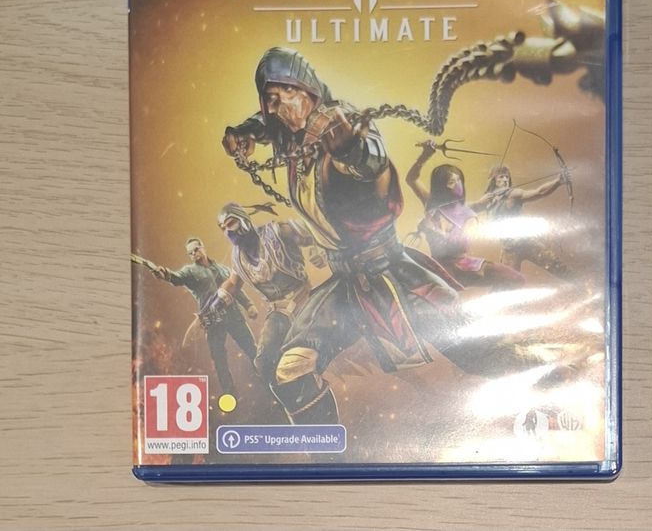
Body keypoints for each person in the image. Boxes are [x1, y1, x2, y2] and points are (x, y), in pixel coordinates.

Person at [223, 48, 528, 423]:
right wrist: (243, 132)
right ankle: (326, 451)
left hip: (393, 275)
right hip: (345, 284)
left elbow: (373, 161)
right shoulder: (293, 137)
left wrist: (350, 150)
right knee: (289, 372)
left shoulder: (342, 122)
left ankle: (554, 378)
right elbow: (268, 123)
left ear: (306, 88)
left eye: (286, 93)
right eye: (271, 99)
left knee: (478, 350)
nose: (280, 107)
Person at [215, 202, 320, 407]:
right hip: (279, 312)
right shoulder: (238, 258)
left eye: (231, 223)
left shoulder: (278, 231)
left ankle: (312, 391)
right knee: (263, 363)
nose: (228, 231)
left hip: (306, 300)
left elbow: (314, 231)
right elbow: (233, 282)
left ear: (244, 219)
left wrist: (318, 250)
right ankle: (295, 405)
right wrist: (217, 300)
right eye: (223, 228)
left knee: (304, 354)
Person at [405, 141, 524, 288]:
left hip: (463, 266)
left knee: (515, 278)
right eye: (451, 182)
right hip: (438, 268)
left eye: (459, 180)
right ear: (441, 187)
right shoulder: (432, 204)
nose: (458, 185)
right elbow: (411, 179)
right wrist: (425, 155)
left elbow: (461, 244)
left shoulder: (467, 212)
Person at [151, 237, 258, 395]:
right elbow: (176, 277)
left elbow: (235, 288)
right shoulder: (190, 271)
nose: (194, 254)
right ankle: (230, 394)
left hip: (233, 315)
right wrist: (164, 274)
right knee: (219, 359)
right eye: (190, 253)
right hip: (212, 320)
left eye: (196, 249)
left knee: (251, 347)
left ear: (202, 247)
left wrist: (249, 305)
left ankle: (267, 377)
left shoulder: (222, 269)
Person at [471, 166, 570, 278]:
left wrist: (557, 182)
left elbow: (539, 192)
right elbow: (466, 210)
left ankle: (581, 284)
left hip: (526, 243)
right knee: (507, 281)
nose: (505, 180)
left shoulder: (513, 194)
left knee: (558, 267)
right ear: (494, 180)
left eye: (507, 177)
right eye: (501, 177)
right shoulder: (488, 200)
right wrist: (479, 202)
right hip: (508, 249)